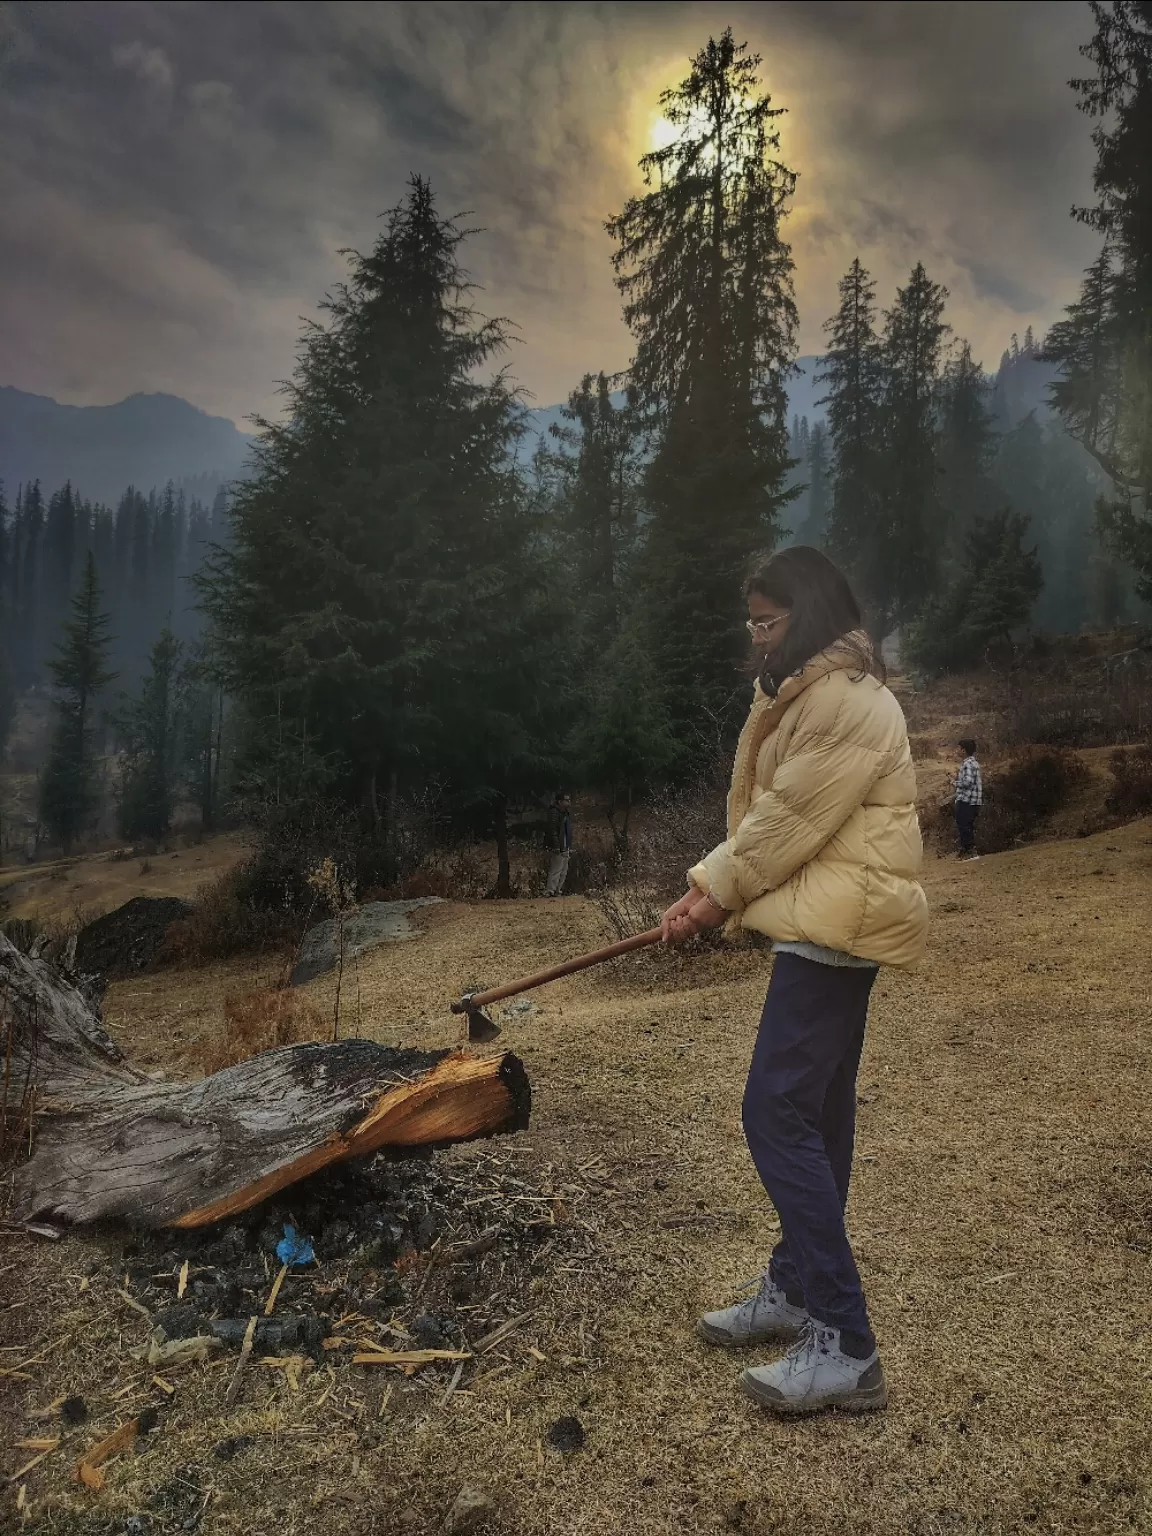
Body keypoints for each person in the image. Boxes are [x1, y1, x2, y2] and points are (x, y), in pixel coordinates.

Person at [661, 546, 928, 1416]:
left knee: (773, 1109)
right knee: (814, 1112)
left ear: (804, 618)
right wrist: (709, 884)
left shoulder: (847, 701)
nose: (755, 637)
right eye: (751, 622)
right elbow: (776, 819)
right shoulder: (813, 690)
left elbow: (789, 820)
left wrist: (711, 892)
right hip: (827, 914)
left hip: (835, 920)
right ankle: (796, 1287)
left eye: (766, 622)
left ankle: (846, 1342)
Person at [953, 738, 982, 859]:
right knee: (967, 826)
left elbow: (968, 782)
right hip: (974, 800)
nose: (957, 751)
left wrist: (954, 782)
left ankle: (970, 852)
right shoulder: (973, 762)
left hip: (967, 800)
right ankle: (966, 851)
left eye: (958, 748)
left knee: (964, 826)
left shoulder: (967, 764)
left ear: (964, 750)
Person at [544, 792, 572, 896]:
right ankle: (550, 891)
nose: (568, 802)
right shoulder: (554, 812)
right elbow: (553, 831)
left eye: (569, 800)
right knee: (556, 869)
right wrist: (556, 845)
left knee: (563, 870)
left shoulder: (565, 813)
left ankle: (558, 890)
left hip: (565, 845)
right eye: (566, 800)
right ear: (559, 802)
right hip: (558, 845)